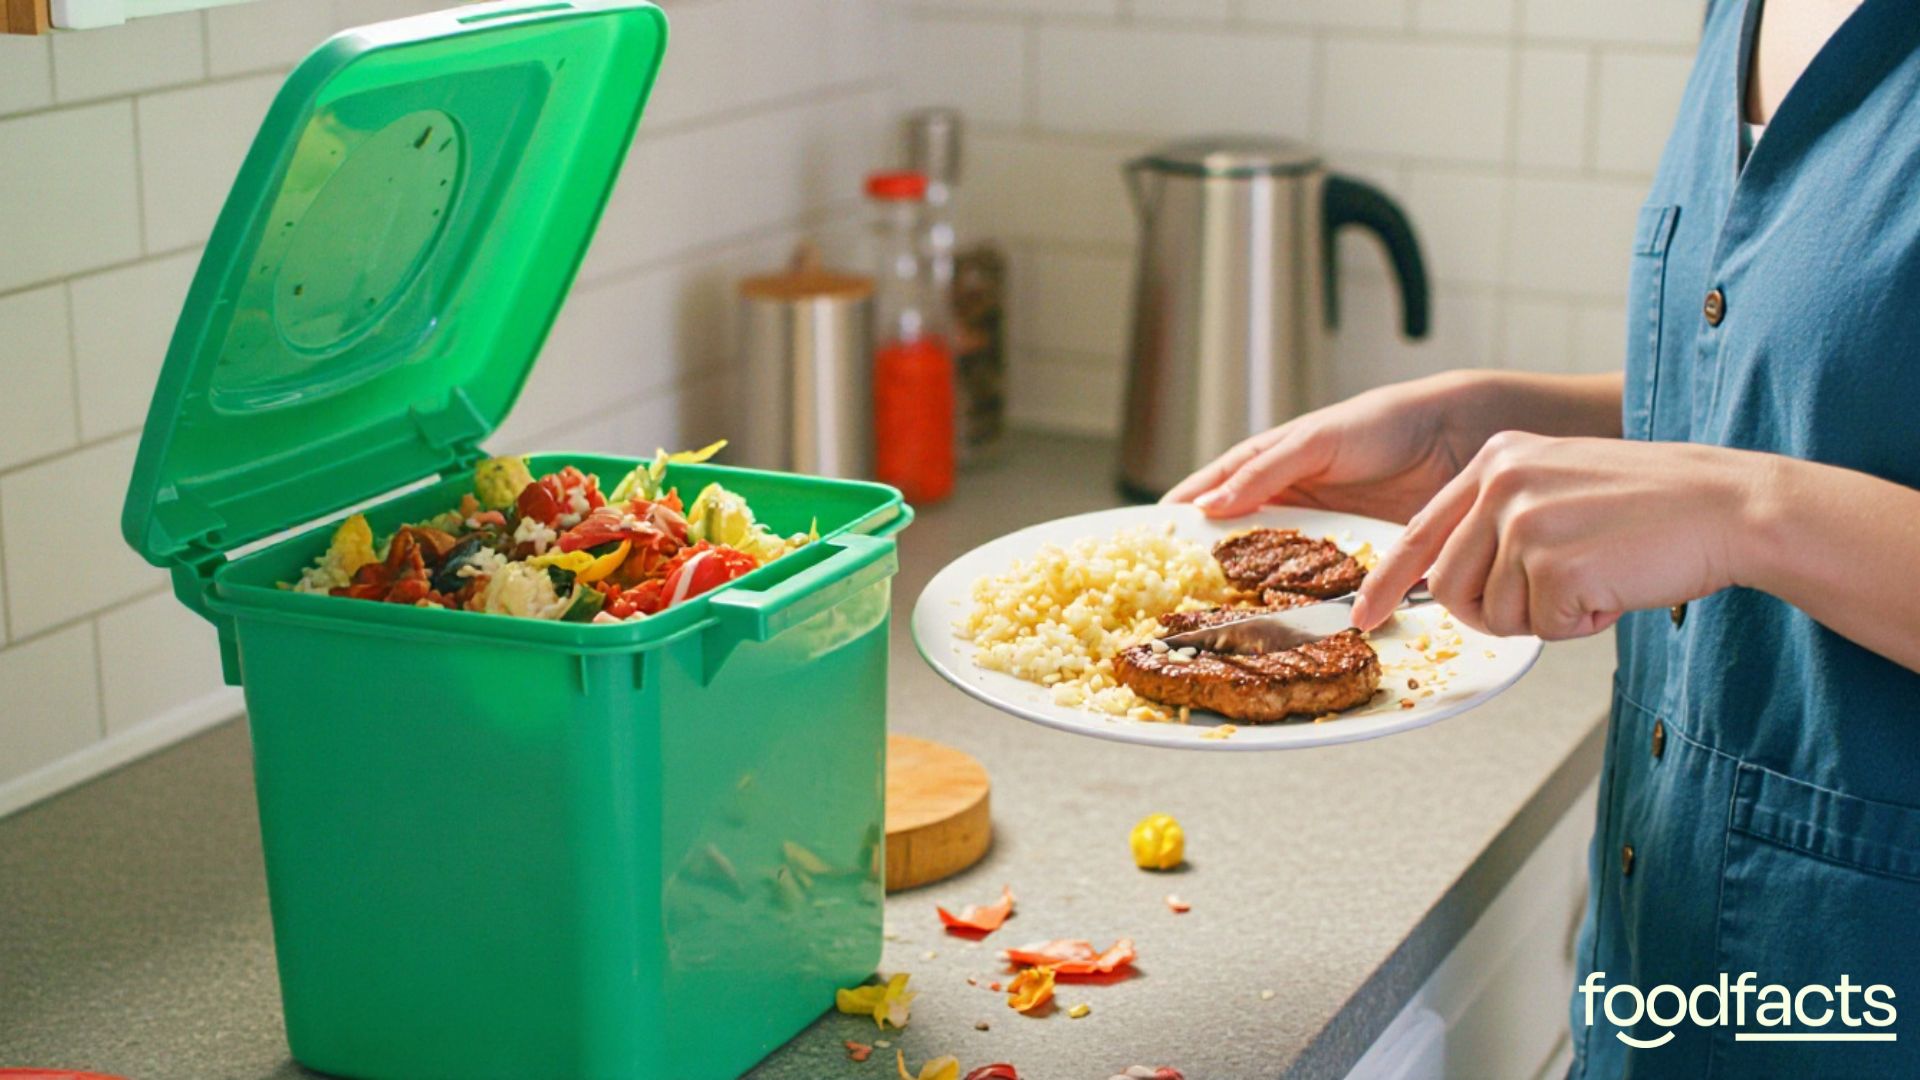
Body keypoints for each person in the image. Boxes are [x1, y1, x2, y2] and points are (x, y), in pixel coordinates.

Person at [1166, 0, 1920, 1074]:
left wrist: (1741, 511)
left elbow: (1758, 479)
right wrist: (1479, 429)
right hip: (1656, 979)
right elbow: (1797, 392)